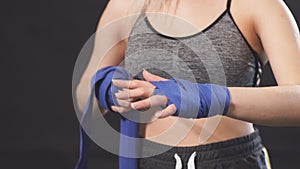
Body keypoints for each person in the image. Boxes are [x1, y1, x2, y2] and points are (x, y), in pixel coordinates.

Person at [75, 0, 300, 168]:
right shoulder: (127, 5)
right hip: (149, 161)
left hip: (231, 160)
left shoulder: (258, 5)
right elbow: (85, 94)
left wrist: (209, 97)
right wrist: (108, 91)